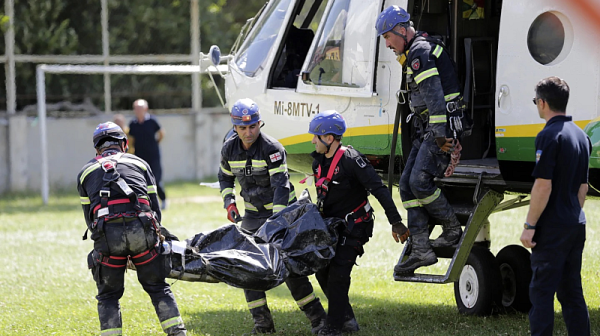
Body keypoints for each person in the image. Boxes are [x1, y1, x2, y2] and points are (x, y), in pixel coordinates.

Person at [218, 98, 327, 335]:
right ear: (234, 127)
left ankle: (319, 320)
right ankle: (263, 325)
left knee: (289, 270)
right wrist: (229, 202)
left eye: (253, 126)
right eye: (243, 128)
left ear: (259, 123)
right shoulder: (228, 149)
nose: (249, 132)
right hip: (252, 216)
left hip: (282, 216)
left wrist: (276, 225)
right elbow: (225, 178)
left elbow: (280, 187)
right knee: (248, 271)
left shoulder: (272, 148)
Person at [376, 5, 469, 275]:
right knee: (406, 185)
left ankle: (452, 230)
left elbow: (436, 100)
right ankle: (421, 249)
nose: (387, 44)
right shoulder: (415, 49)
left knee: (418, 181)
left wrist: (442, 138)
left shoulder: (419, 53)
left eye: (388, 37)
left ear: (402, 31)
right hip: (428, 127)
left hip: (440, 127)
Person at [77, 122, 186, 336]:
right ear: (124, 144)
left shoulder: (85, 171)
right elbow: (154, 209)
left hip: (108, 237)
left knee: (108, 296)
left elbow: (89, 218)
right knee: (157, 288)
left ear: (97, 149)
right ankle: (177, 333)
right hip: (142, 232)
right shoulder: (140, 163)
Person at [306, 110, 409, 336]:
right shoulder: (318, 164)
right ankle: (347, 320)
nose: (313, 140)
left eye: (316, 136)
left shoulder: (352, 160)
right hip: (331, 227)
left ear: (329, 138)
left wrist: (396, 222)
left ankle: (333, 328)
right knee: (322, 272)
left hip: (355, 226)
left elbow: (380, 190)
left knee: (339, 274)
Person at [521, 77, 591, 336]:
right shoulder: (582, 136)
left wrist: (530, 226)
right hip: (575, 223)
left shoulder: (548, 135)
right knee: (572, 293)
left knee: (541, 294)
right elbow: (582, 188)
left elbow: (543, 186)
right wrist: (570, 213)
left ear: (542, 102)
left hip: (551, 229)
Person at [128, 99, 167, 209]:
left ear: (146, 109)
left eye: (139, 108)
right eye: (135, 108)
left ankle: (163, 200)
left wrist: (157, 143)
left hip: (153, 155)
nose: (137, 111)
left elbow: (161, 133)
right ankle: (146, 204)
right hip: (139, 156)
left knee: (156, 179)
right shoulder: (133, 124)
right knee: (141, 180)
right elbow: (131, 139)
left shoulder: (152, 121)